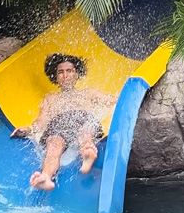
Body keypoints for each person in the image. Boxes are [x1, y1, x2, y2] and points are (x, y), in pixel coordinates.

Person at [10, 54, 117, 191]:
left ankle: (87, 156)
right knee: (53, 144)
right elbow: (41, 120)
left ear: (77, 74)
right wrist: (29, 129)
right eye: (60, 72)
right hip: (59, 124)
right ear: (55, 77)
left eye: (69, 71)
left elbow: (114, 100)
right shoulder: (50, 98)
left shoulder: (88, 93)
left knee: (85, 132)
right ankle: (46, 177)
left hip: (83, 118)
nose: (65, 75)